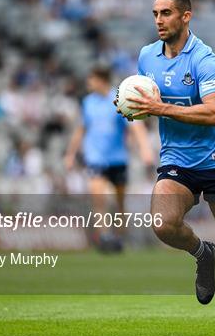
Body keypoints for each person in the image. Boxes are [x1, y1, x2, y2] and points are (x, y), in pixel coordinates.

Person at [115, 0, 215, 334]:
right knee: (162, 224)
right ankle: (202, 252)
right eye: (155, 13)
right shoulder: (147, 56)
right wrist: (133, 108)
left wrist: (159, 109)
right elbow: (149, 98)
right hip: (177, 162)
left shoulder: (203, 58)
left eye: (167, 13)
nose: (159, 20)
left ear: (186, 17)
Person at [65, 66, 153, 252]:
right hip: (95, 158)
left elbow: (135, 127)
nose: (89, 83)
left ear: (102, 80)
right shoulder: (88, 102)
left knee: (120, 202)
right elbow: (81, 129)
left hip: (118, 159)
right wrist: (70, 154)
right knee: (99, 199)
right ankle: (104, 237)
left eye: (92, 78)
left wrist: (145, 149)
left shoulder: (119, 99)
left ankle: (119, 238)